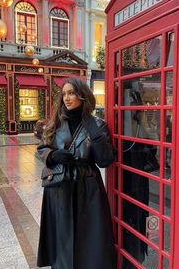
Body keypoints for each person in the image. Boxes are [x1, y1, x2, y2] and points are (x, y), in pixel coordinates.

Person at [36, 77, 116, 269]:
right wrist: (53, 155)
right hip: (60, 187)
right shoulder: (55, 122)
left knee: (90, 234)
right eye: (64, 94)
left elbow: (105, 160)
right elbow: (41, 150)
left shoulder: (97, 124)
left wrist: (94, 132)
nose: (67, 98)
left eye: (71, 93)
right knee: (62, 234)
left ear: (82, 95)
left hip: (87, 187)